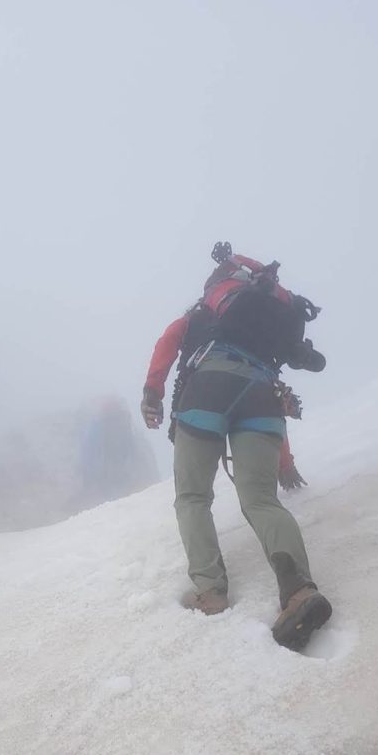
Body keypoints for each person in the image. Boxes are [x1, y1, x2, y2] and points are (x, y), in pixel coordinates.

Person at [140, 242, 331, 650]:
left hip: (207, 391)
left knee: (192, 497)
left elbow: (165, 347)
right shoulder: (266, 327)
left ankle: (211, 592)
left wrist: (151, 395)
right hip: (262, 394)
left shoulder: (199, 316)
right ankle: (299, 590)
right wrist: (285, 462)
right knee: (261, 500)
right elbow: (268, 404)